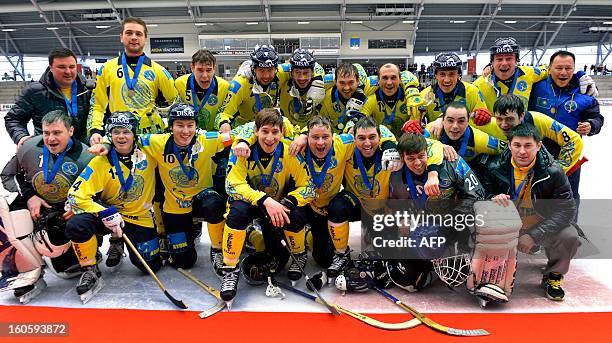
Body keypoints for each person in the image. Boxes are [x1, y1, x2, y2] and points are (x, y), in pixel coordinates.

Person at [220, 108, 316, 303]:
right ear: (256, 131)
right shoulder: (241, 149)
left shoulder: (290, 150)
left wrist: (288, 201)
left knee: (288, 229)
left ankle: (298, 253)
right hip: (255, 202)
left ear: (282, 132)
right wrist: (264, 200)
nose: (270, 138)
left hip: (277, 205)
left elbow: (309, 187)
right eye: (265, 131)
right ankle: (230, 269)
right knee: (237, 211)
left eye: (275, 132)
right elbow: (232, 185)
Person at [65, 112, 159, 303]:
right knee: (76, 224)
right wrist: (104, 211)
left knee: (150, 266)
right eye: (116, 132)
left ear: (135, 134)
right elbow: (75, 196)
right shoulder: (100, 161)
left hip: (138, 215)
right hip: (109, 216)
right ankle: (89, 269)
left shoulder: (150, 151)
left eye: (126, 132)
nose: (121, 136)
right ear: (110, 134)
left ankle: (119, 241)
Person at [0, 110, 92, 302]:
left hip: (68, 213)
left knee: (63, 262)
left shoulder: (86, 157)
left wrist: (79, 207)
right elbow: (8, 175)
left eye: (57, 132)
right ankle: (28, 269)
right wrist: (30, 196)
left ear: (71, 131)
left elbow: (100, 193)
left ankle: (87, 262)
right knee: (13, 216)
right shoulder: (29, 148)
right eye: (46, 132)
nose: (50, 138)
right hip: (38, 206)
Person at [482, 123, 580, 301]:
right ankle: (492, 274)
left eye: (528, 146)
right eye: (517, 145)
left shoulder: (554, 172)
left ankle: (554, 275)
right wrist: (491, 199)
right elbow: (479, 197)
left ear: (539, 146)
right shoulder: (494, 167)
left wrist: (534, 235)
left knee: (569, 236)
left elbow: (567, 210)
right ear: (510, 144)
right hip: (508, 226)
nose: (522, 151)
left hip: (539, 225)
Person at [385, 132, 485, 292]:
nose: (417, 163)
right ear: (402, 159)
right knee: (408, 281)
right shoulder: (395, 173)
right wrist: (402, 218)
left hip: (455, 222)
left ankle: (460, 253)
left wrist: (453, 220)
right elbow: (395, 203)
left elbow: (477, 194)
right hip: (421, 226)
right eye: (410, 159)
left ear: (427, 152)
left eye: (421, 156)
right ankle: (433, 269)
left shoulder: (452, 162)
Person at [88, 16, 177, 145]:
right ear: (121, 37)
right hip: (119, 135)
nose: (134, 37)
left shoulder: (159, 71)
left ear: (145, 39)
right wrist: (95, 130)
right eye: (129, 33)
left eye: (138, 34)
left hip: (151, 137)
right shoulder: (106, 69)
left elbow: (175, 103)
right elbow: (97, 105)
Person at [529, 50, 604, 200]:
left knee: (568, 193)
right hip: (537, 151)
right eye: (559, 68)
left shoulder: (585, 94)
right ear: (549, 68)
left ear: (574, 69)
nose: (563, 72)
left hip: (570, 152)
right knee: (536, 192)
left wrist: (591, 125)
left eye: (568, 68)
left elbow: (597, 118)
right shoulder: (535, 87)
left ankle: (569, 223)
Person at [473, 37, 598, 112]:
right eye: (499, 59)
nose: (504, 63)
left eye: (509, 58)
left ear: (517, 60)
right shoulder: (479, 84)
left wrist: (580, 76)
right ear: (492, 62)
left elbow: (555, 70)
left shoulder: (530, 73)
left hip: (522, 141)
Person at [5, 48, 92, 148]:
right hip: (47, 151)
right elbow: (13, 118)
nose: (68, 71)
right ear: (51, 68)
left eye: (72, 67)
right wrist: (21, 137)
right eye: (62, 67)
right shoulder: (35, 92)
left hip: (83, 152)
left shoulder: (88, 90)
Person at [477, 94, 583, 175]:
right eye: (499, 119)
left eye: (510, 119)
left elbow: (574, 140)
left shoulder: (538, 120)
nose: (504, 125)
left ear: (522, 115)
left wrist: (558, 170)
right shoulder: (489, 124)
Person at [216, 45, 290, 133]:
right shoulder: (239, 84)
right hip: (243, 131)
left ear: (276, 69)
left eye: (270, 70)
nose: (266, 76)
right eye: (261, 70)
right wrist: (224, 124)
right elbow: (222, 114)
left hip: (268, 129)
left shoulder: (282, 72)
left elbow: (302, 67)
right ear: (253, 69)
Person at [174, 50, 229, 132]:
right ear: (192, 68)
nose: (204, 76)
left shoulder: (224, 86)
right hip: (188, 135)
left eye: (209, 70)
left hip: (214, 136)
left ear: (214, 68)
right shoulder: (179, 84)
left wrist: (224, 123)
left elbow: (225, 113)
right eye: (200, 70)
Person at [360, 63, 421, 137]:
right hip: (381, 144)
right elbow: (361, 121)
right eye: (385, 78)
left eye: (393, 78)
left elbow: (418, 124)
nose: (389, 82)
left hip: (406, 143)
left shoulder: (410, 98)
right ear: (378, 81)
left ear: (400, 79)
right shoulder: (371, 99)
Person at [319, 63, 369, 132]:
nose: (346, 88)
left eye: (351, 82)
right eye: (342, 83)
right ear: (335, 82)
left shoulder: (368, 93)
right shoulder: (326, 97)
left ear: (358, 81)